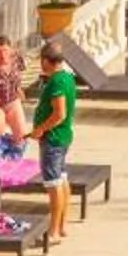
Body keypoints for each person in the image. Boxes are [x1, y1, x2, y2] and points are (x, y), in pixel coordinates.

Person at [28, 42, 76, 244]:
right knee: (62, 179)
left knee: (53, 184)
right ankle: (63, 225)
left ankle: (54, 230)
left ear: (46, 61)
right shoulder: (67, 77)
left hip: (53, 139)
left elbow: (59, 113)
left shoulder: (56, 82)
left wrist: (40, 129)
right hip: (63, 136)